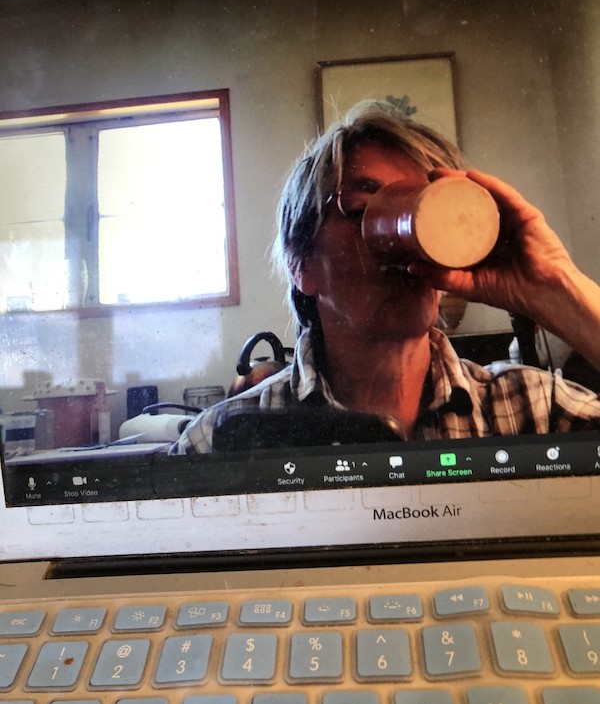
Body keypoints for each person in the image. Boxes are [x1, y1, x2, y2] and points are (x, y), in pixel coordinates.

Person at [171, 100, 600, 454]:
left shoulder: (533, 410)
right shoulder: (220, 441)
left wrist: (557, 288)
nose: (408, 241)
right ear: (302, 263)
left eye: (423, 212)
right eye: (364, 212)